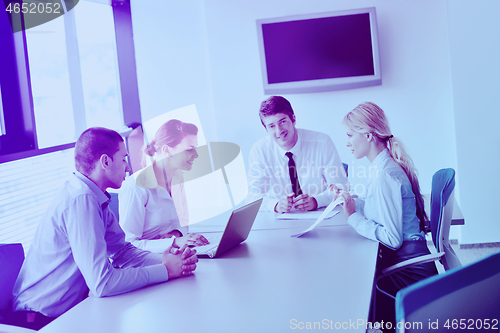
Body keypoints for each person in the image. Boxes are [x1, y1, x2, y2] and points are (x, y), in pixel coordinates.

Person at [12, 127, 198, 331]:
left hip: (69, 312)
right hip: (40, 321)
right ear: (105, 162)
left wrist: (165, 258)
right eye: (124, 158)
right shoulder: (81, 200)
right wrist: (165, 271)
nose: (128, 167)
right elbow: (102, 284)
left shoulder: (95, 197)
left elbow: (122, 252)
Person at [333, 102, 438, 330]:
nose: (347, 142)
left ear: (369, 135)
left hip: (408, 270)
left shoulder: (384, 175)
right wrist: (353, 202)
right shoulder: (382, 168)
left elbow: (392, 239)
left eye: (350, 135)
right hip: (406, 261)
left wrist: (352, 217)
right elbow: (377, 206)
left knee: (355, 290)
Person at [119, 119, 209, 253]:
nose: (196, 155)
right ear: (167, 150)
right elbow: (129, 245)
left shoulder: (178, 176)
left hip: (173, 253)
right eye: (190, 149)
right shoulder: (135, 187)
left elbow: (183, 222)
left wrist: (176, 233)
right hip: (146, 261)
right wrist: (174, 242)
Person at [247, 96, 347, 213]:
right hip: (281, 220)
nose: (279, 131)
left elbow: (341, 187)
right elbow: (252, 196)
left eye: (282, 122)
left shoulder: (322, 142)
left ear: (293, 119)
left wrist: (316, 201)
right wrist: (275, 205)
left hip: (321, 215)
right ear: (266, 129)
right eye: (272, 126)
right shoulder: (260, 150)